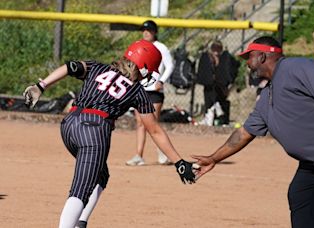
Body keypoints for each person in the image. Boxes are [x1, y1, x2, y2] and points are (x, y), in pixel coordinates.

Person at [192, 36, 314, 228]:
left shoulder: (296, 67)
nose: (247, 64)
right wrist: (214, 158)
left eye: (249, 58)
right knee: (301, 198)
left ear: (263, 56)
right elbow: (243, 134)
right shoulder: (267, 95)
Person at [22, 39, 196, 228]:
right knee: (80, 190)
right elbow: (154, 130)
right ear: (144, 68)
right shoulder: (138, 91)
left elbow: (71, 66)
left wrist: (41, 86)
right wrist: (179, 162)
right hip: (94, 130)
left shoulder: (97, 67)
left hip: (69, 124)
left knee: (101, 175)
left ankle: (80, 222)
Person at [126, 20, 175, 166]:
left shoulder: (161, 47)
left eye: (149, 30)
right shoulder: (139, 46)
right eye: (144, 30)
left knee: (152, 124)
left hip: (154, 90)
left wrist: (162, 81)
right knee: (140, 123)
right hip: (139, 89)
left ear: (155, 32)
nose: (146, 32)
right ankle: (138, 155)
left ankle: (163, 154)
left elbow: (170, 65)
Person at [197, 40, 240, 125]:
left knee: (220, 97)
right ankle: (210, 114)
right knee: (210, 93)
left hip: (221, 86)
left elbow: (229, 73)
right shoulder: (207, 57)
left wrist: (227, 86)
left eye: (218, 49)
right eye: (214, 49)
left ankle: (220, 116)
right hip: (210, 86)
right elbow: (204, 73)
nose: (216, 52)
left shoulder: (225, 58)